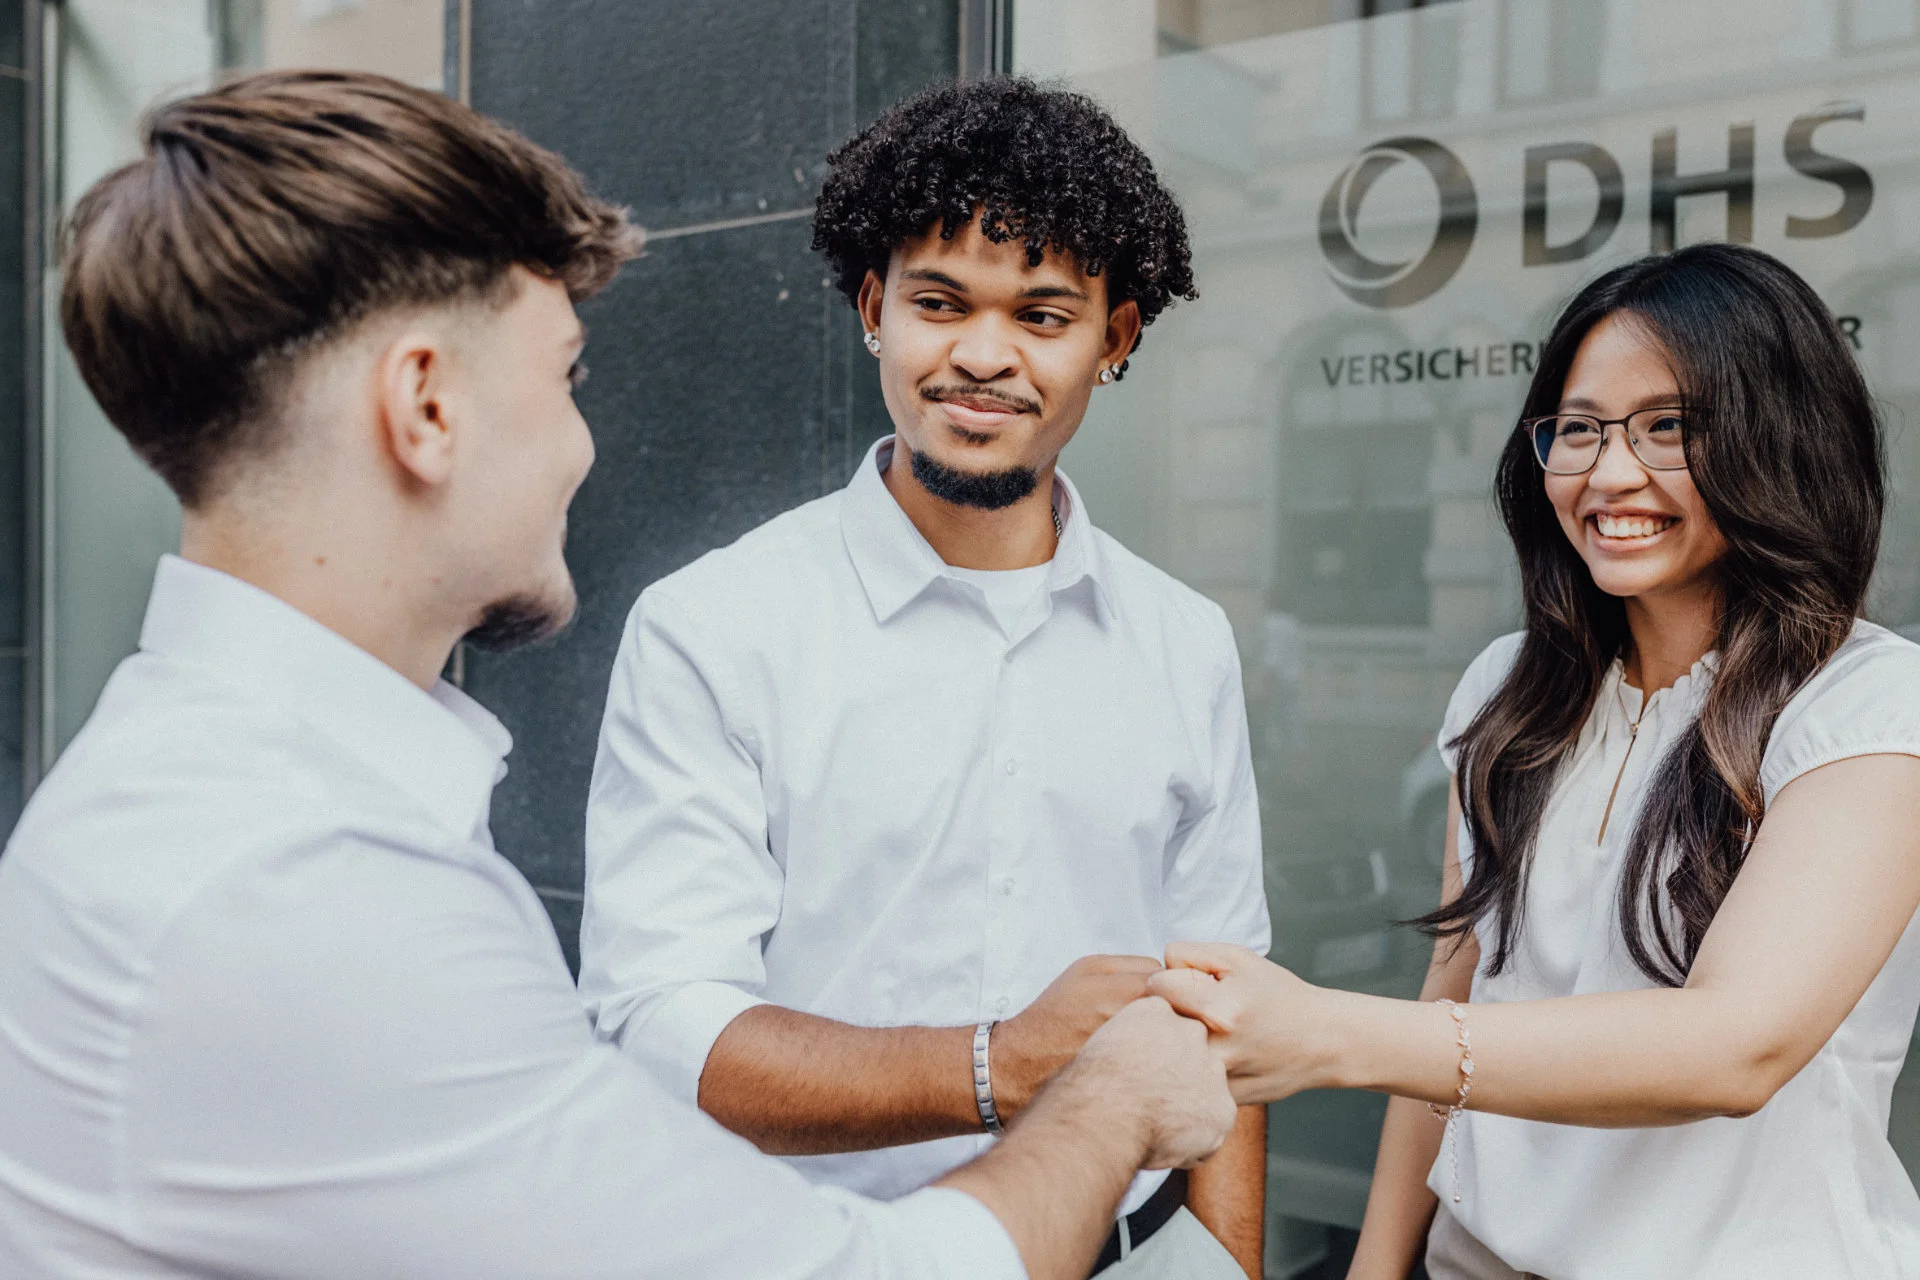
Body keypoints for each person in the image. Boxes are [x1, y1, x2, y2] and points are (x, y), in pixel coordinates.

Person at [0, 70, 1241, 1280]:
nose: (585, 445)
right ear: (425, 406)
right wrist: (1080, 1087)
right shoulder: (310, 889)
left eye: (1039, 313)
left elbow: (1235, 1006)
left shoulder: (227, 805)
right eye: (567, 375)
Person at [578, 77, 1270, 1279]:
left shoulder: (1184, 639)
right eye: (940, 302)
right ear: (873, 308)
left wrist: (1225, 1260)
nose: (983, 356)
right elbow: (662, 1027)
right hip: (820, 1250)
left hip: (1141, 1252)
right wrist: (1002, 1060)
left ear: (1117, 338)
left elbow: (1231, 997)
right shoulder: (715, 626)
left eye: (1044, 316)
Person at [1149, 242, 1920, 1279]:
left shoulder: (1867, 703)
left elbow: (1737, 1044)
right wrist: (1378, 1271)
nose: (1608, 472)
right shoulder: (1510, 689)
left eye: (1668, 427)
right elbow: (1450, 1012)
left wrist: (1326, 1029)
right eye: (1581, 428)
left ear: (1776, 438)